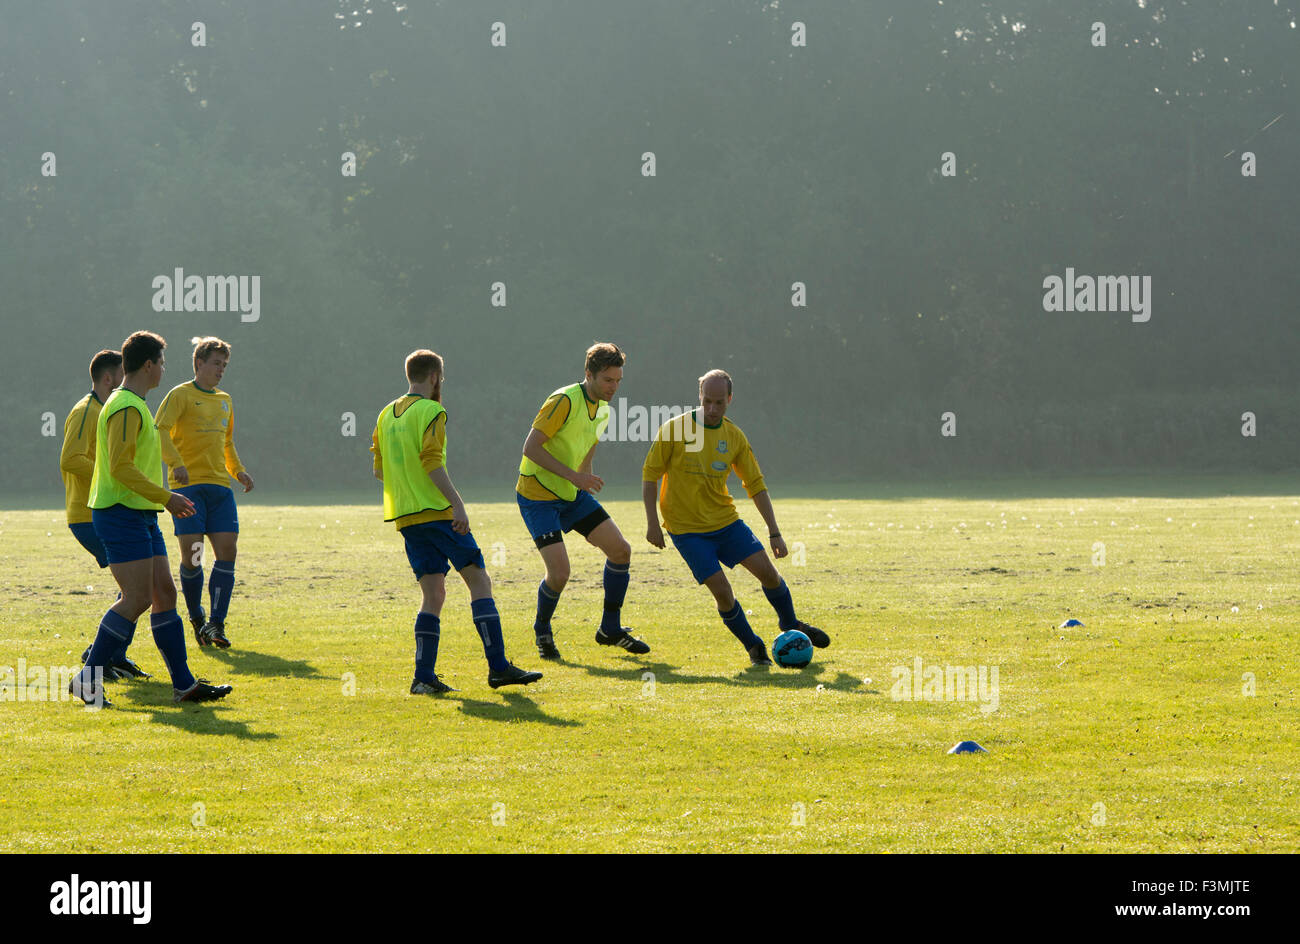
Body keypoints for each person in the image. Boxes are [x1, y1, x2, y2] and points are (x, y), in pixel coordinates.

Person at [72, 331, 232, 707]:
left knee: (164, 594)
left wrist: (158, 501)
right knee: (137, 597)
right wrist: (167, 498)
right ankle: (87, 678)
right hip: (120, 513)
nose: (164, 369)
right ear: (148, 365)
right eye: (162, 362)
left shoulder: (134, 404)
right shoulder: (127, 406)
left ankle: (184, 684)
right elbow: (120, 466)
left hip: (138, 513)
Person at [372, 349, 542, 694]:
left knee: (432, 594)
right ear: (434, 377)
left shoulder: (385, 415)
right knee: (479, 581)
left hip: (406, 518)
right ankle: (498, 668)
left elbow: (379, 470)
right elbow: (432, 461)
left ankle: (423, 678)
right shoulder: (433, 410)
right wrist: (457, 505)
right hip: (438, 513)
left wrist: (408, 486)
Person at [641, 369, 830, 666]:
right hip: (687, 531)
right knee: (723, 592)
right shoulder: (675, 430)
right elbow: (650, 476)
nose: (713, 409)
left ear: (730, 399)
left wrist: (774, 531)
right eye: (707, 402)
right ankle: (754, 647)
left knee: (768, 574)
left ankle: (790, 623)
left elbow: (755, 485)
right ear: (699, 398)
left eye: (719, 402)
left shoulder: (734, 437)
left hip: (726, 523)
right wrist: (652, 523)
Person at [516, 342, 649, 660]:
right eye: (608, 380)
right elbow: (531, 448)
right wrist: (576, 478)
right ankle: (543, 631)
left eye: (618, 381)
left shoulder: (603, 407)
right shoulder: (562, 400)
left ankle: (610, 629)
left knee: (620, 550)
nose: (614, 387)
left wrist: (585, 478)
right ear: (588, 374)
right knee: (560, 573)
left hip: (571, 495)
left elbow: (587, 445)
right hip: (538, 496)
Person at [154, 336, 254, 649]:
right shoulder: (180, 394)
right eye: (216, 363)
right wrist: (175, 463)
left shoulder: (225, 399)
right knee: (193, 558)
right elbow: (159, 430)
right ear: (199, 363)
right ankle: (197, 617)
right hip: (188, 488)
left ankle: (217, 623)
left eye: (224, 365)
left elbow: (226, 443)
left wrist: (237, 470)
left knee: (228, 552)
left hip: (220, 489)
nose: (221, 370)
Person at [62, 349, 149, 680]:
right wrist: (108, 472)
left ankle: (113, 655)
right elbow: (70, 458)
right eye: (122, 375)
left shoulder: (107, 409)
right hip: (88, 514)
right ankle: (101, 659)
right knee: (137, 588)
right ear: (109, 378)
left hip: (107, 510)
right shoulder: (86, 410)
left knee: (138, 585)